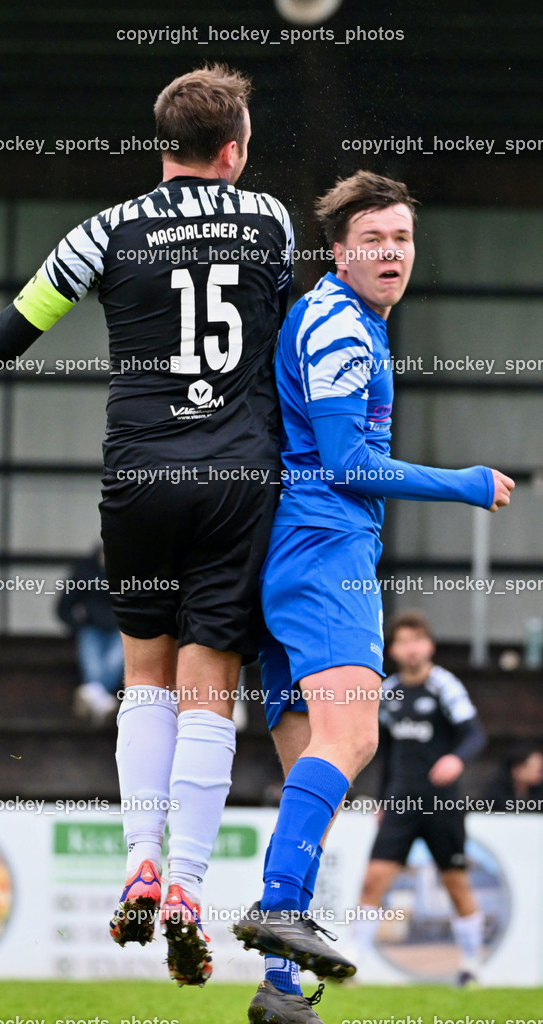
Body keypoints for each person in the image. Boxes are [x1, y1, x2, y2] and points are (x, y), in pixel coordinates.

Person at [0, 63, 294, 987]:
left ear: (163, 146)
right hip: (236, 479)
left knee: (142, 672)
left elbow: (18, 324)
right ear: (232, 151)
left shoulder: (105, 232)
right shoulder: (268, 220)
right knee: (209, 686)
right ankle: (187, 883)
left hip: (139, 481)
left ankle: (138, 863)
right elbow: (281, 330)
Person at [232, 170, 514, 1024]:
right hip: (325, 552)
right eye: (374, 241)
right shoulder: (342, 329)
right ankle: (281, 908)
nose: (392, 253)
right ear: (340, 251)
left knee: (310, 774)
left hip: (285, 551)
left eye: (401, 239)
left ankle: (281, 988)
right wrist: (463, 482)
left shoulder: (329, 313)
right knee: (354, 736)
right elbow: (351, 464)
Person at [351, 610, 487, 988]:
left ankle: (471, 966)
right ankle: (352, 963)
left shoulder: (446, 685)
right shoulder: (388, 692)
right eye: (403, 641)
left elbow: (475, 734)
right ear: (393, 650)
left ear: (429, 645)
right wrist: (381, 800)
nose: (411, 648)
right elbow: (386, 751)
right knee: (373, 880)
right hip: (398, 803)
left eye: (417, 640)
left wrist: (455, 759)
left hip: (442, 804)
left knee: (456, 883)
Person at [56, 544, 124, 723]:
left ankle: (93, 693)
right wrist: (79, 627)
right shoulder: (84, 571)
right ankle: (102, 700)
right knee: (94, 661)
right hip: (92, 628)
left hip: (120, 630)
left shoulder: (130, 572)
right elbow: (64, 606)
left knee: (114, 660)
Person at [486, 740, 543, 811]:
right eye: (538, 770)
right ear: (517, 769)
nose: (540, 774)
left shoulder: (540, 792)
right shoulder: (496, 793)